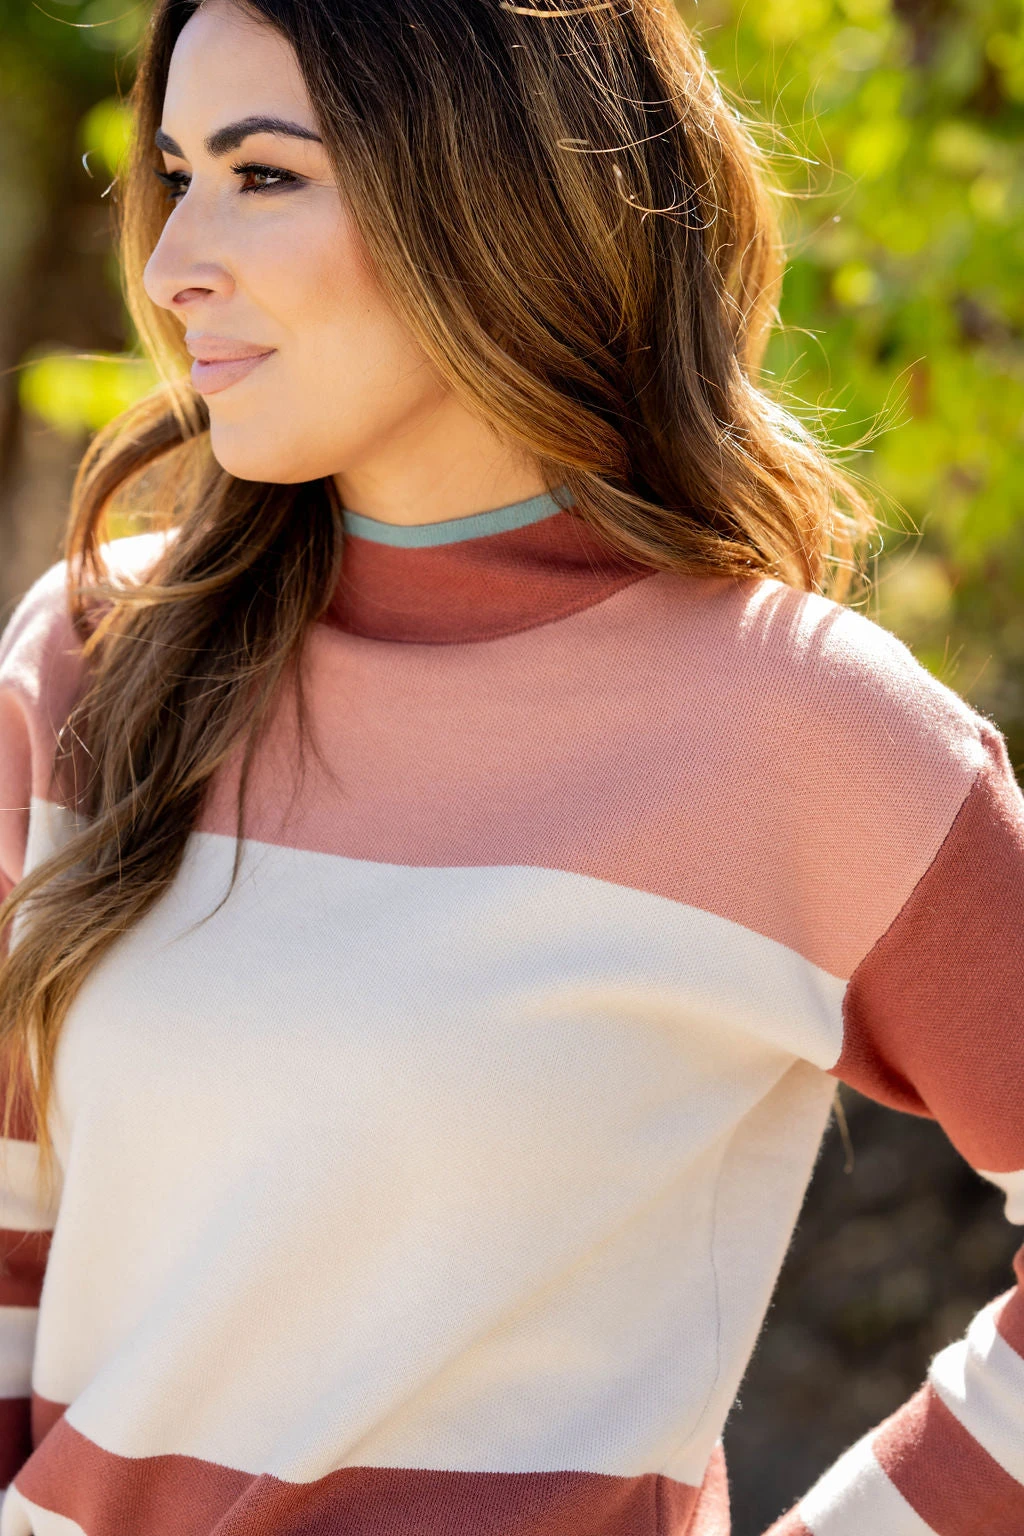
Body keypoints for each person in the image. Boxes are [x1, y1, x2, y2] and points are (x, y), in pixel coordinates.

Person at [0, 0, 1021, 1530]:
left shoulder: (802, 733)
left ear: (494, 187)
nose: (169, 263)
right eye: (177, 173)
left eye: (262, 175)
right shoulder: (98, 655)